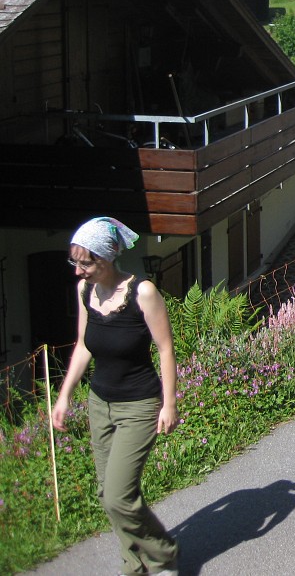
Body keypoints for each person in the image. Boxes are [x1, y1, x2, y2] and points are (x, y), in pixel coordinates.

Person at [52, 217, 180, 576]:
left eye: (85, 263)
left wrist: (169, 404)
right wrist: (64, 397)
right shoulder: (85, 293)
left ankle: (163, 552)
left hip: (139, 404)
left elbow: (166, 348)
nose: (78, 271)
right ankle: (133, 563)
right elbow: (82, 346)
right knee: (105, 493)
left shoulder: (143, 292)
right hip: (99, 403)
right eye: (74, 262)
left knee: (119, 495)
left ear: (106, 259)